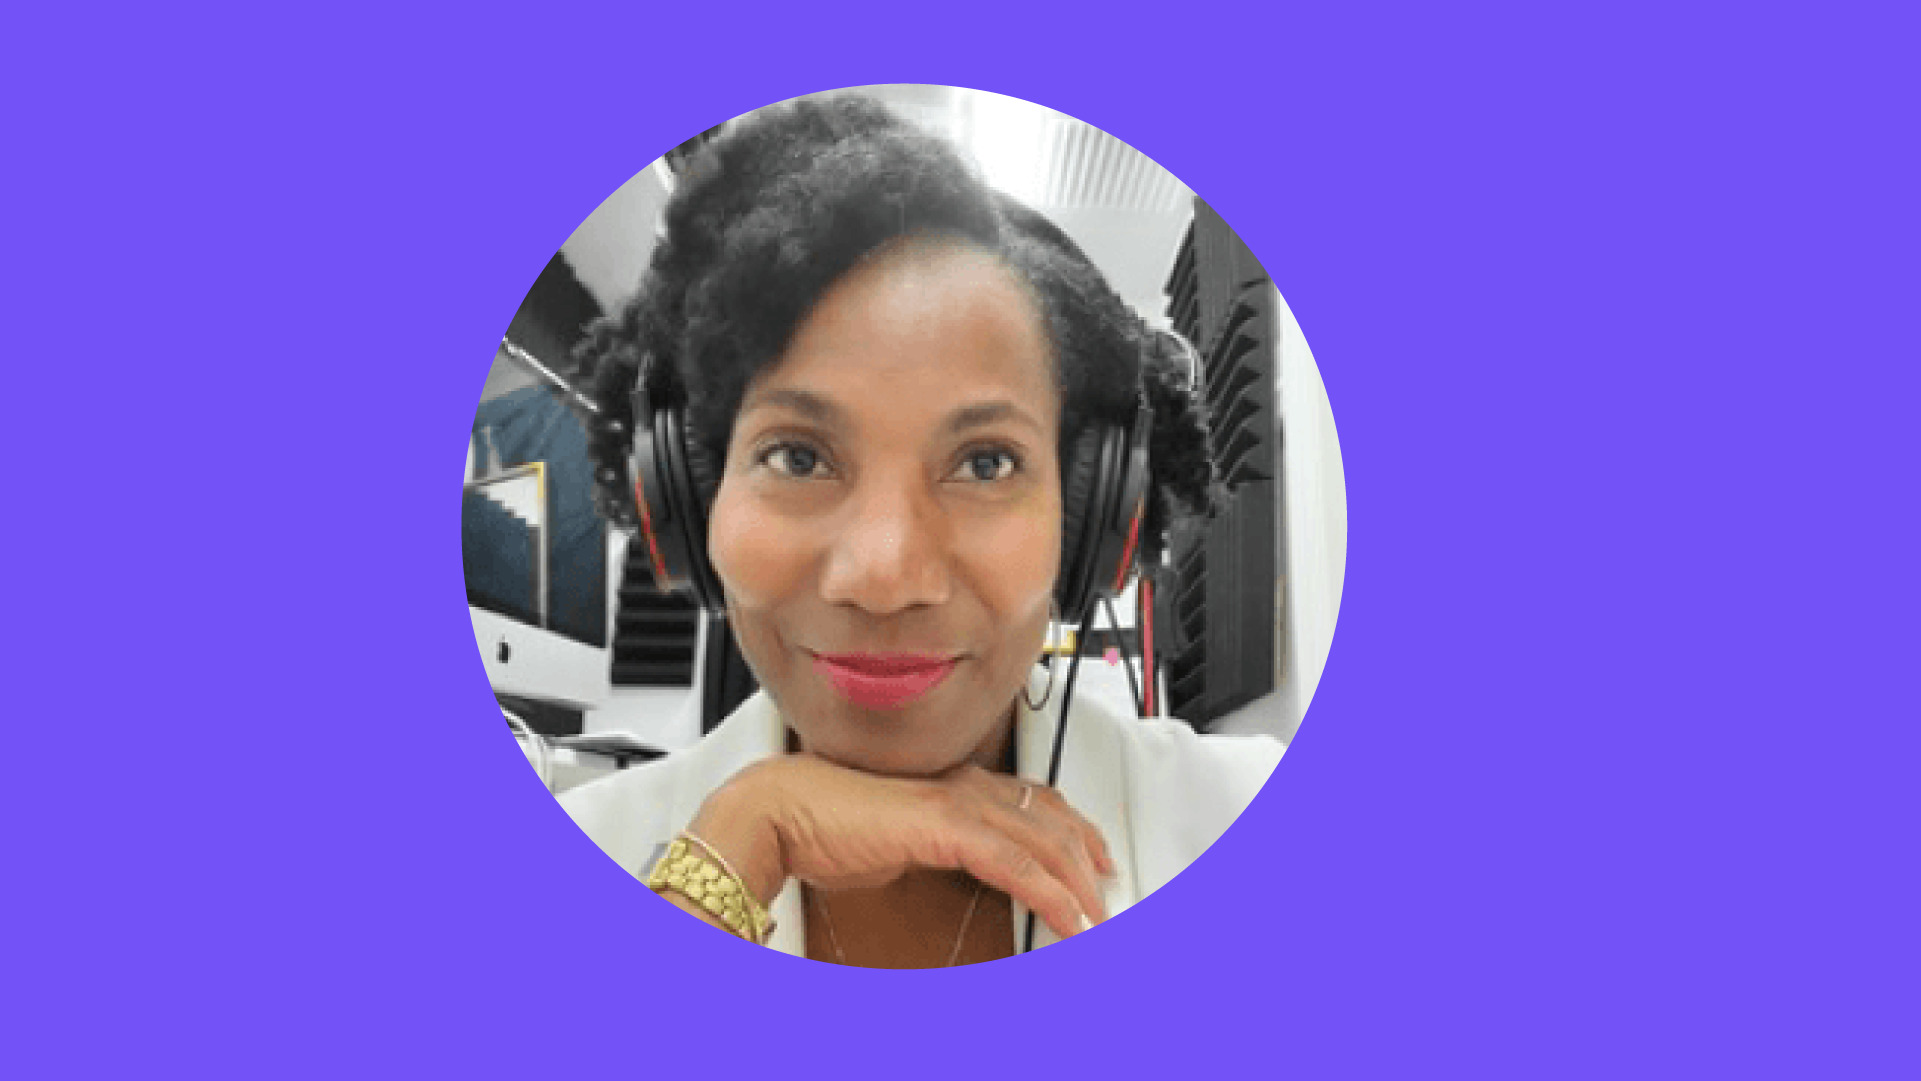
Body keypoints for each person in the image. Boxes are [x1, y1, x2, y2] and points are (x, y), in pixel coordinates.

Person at [557, 95, 1283, 967]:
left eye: (985, 462)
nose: (885, 575)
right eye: (797, 456)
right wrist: (727, 858)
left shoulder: (1240, 813)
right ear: (686, 494)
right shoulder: (588, 840)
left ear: (1095, 514)